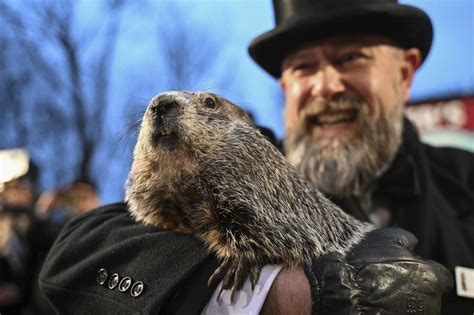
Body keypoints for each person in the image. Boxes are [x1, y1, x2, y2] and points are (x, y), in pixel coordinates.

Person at [39, 0, 468, 313]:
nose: (325, 86)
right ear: (285, 88)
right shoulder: (242, 160)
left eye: (350, 58)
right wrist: (279, 294)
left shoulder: (466, 178)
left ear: (405, 73)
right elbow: (77, 255)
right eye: (303, 67)